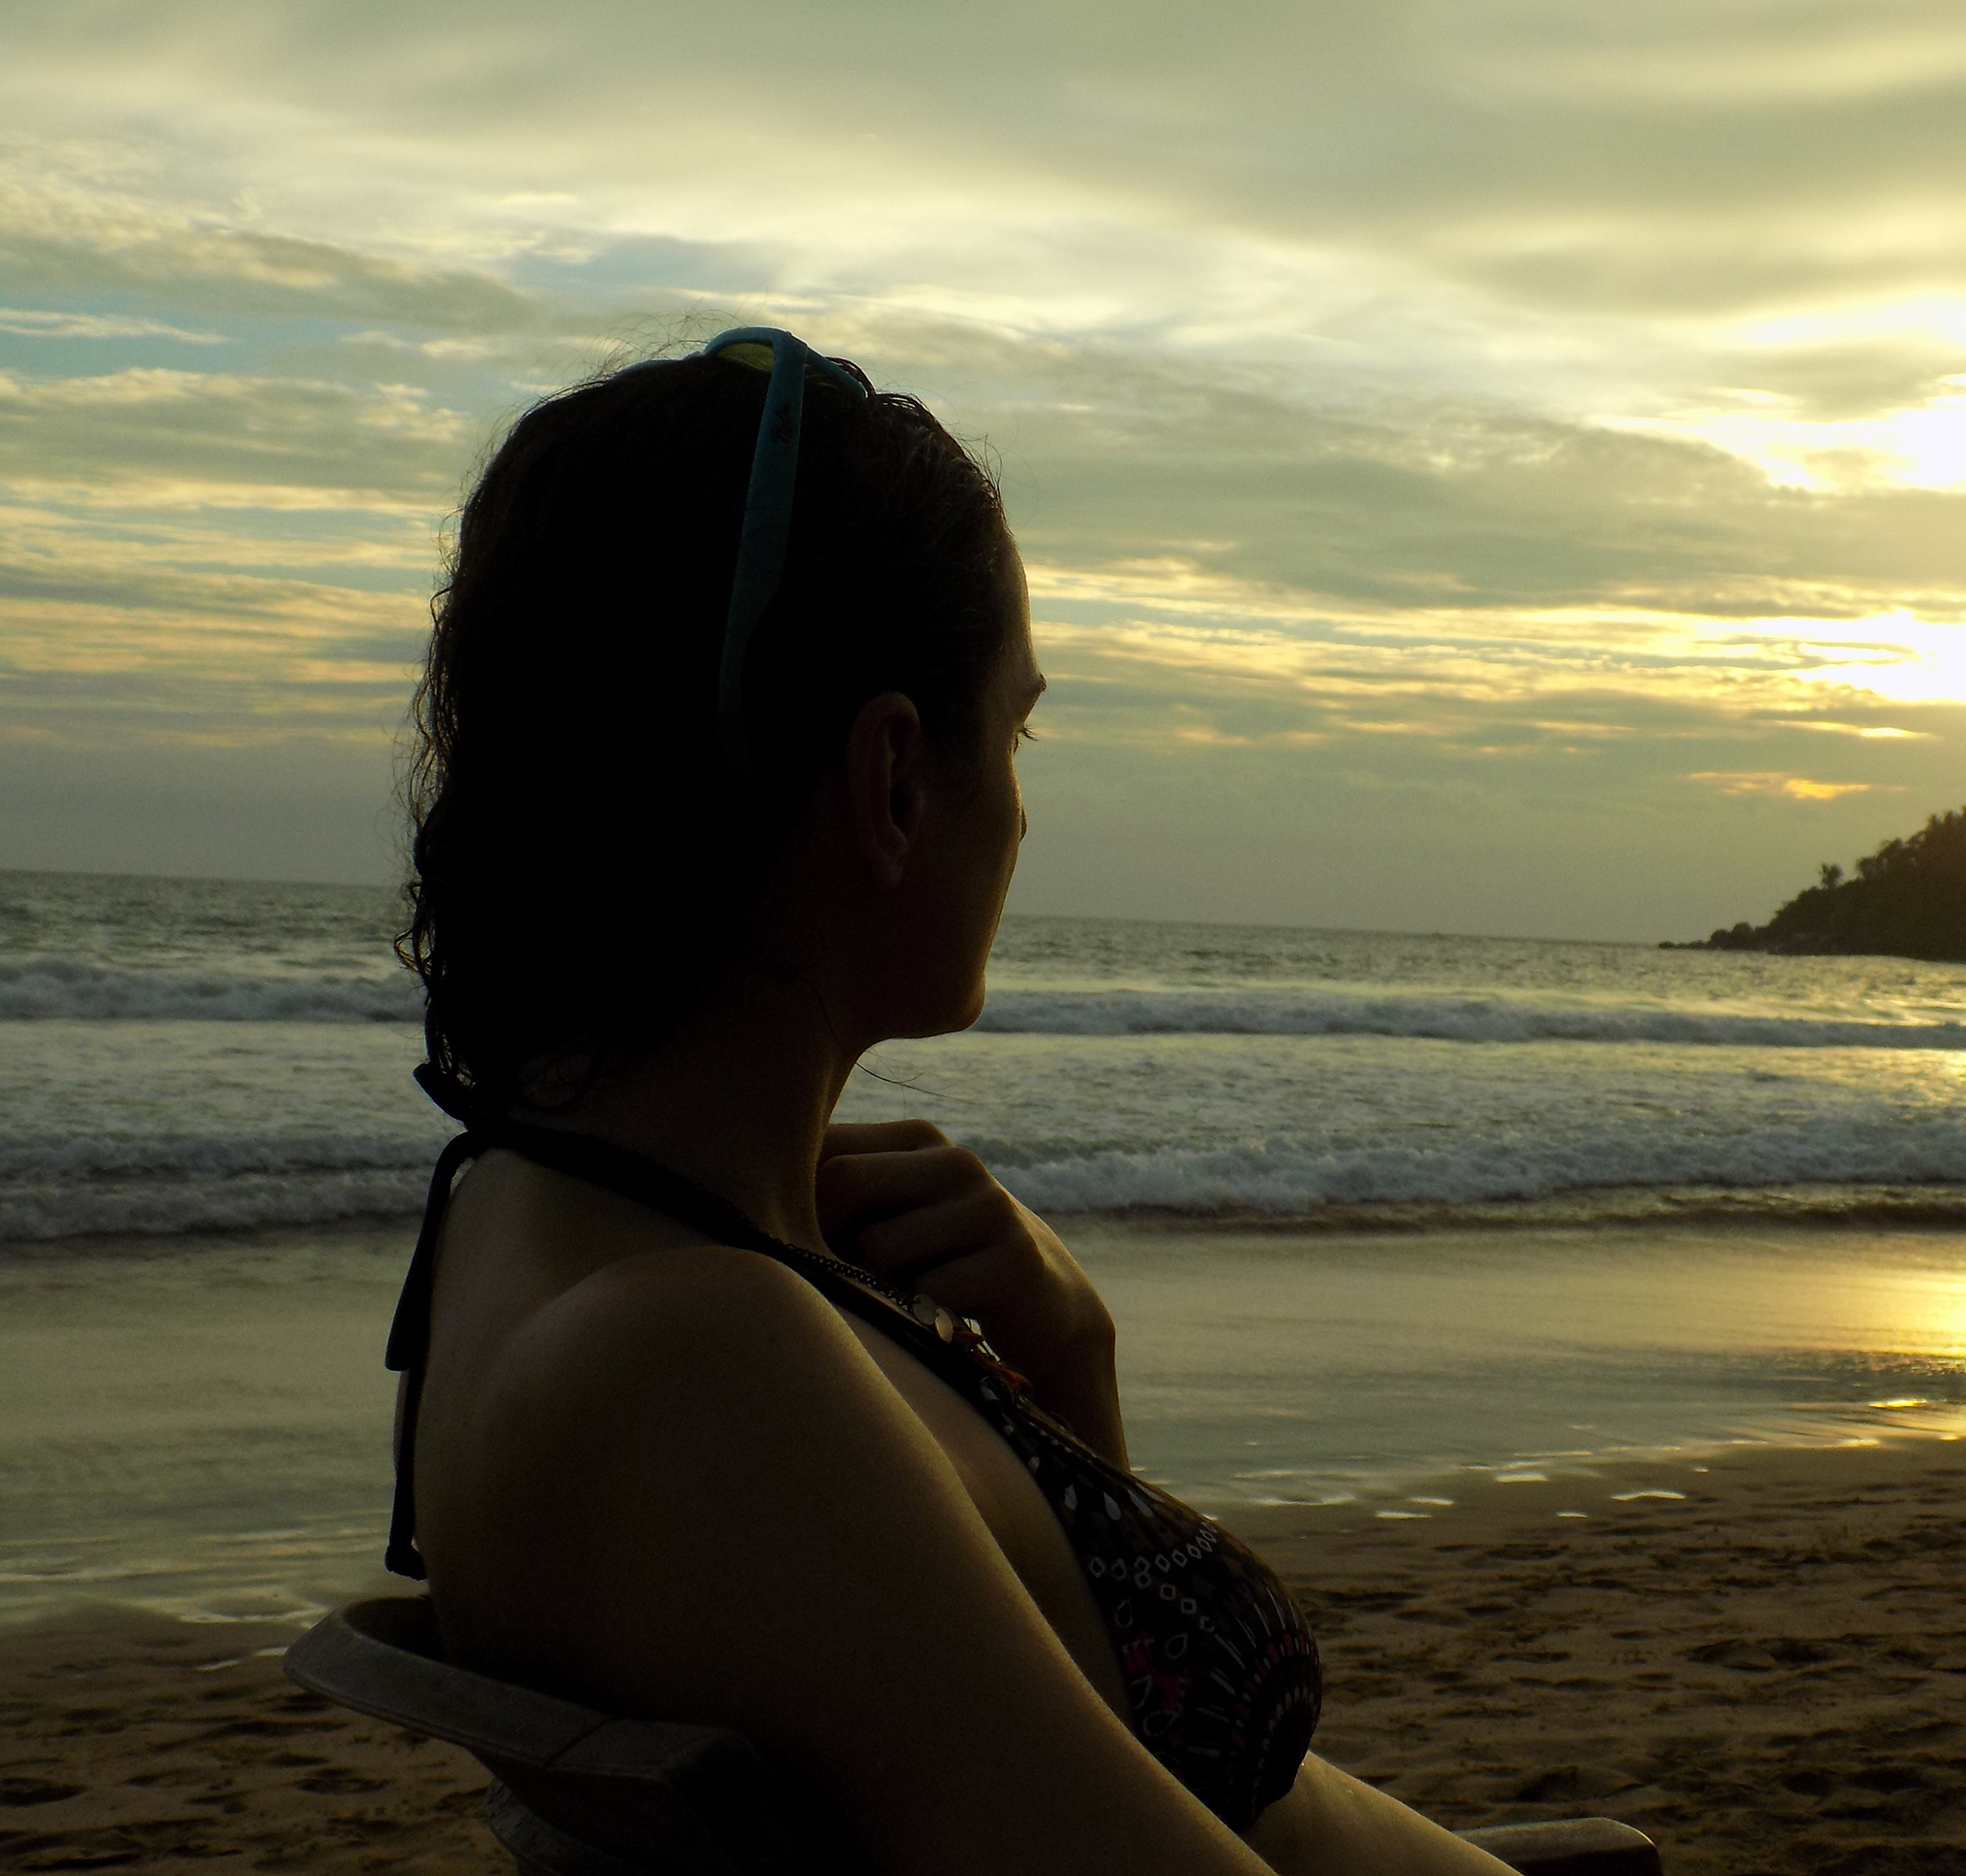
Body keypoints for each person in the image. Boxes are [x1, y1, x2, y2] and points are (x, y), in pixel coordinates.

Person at [387, 328, 1515, 1875]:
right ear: (897, 780)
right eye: (1020, 726)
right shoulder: (697, 1360)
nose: (1028, 806)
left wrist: (1067, 1378)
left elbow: (1055, 1732)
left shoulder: (533, 1217)